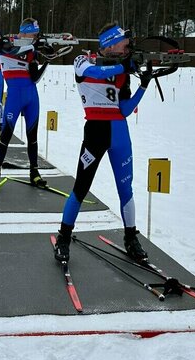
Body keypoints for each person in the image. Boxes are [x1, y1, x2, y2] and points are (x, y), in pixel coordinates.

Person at [53, 23, 153, 263]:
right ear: (110, 44)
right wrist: (123, 66)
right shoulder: (83, 59)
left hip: (120, 132)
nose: (127, 48)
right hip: (96, 132)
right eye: (124, 44)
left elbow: (125, 109)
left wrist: (143, 85)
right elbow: (94, 73)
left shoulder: (122, 71)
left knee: (125, 190)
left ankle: (131, 238)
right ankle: (64, 238)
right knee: (81, 187)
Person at [0, 18, 49, 189]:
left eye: (36, 35)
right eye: (33, 34)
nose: (35, 37)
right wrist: (33, 47)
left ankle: (34, 172)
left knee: (33, 137)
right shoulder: (7, 40)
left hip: (31, 96)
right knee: (6, 135)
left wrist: (48, 60)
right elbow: (10, 51)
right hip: (14, 96)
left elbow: (34, 77)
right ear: (24, 32)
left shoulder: (32, 49)